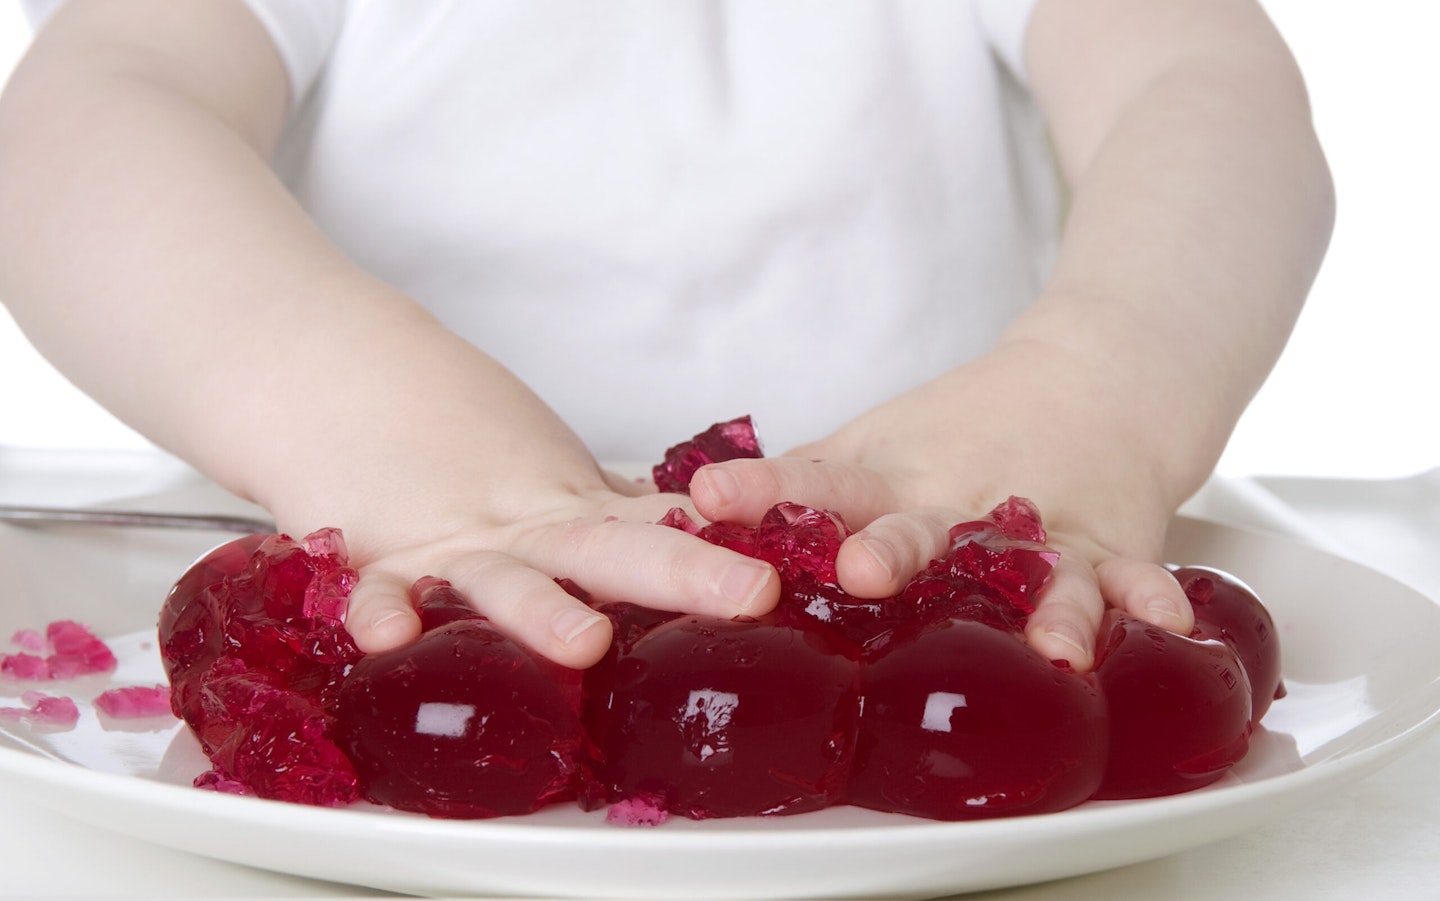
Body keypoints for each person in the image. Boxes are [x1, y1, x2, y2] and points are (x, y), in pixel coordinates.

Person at [0, 0, 1332, 673]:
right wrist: (360, 425)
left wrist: (1099, 387)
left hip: (925, 617)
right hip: (405, 613)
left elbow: (1204, 85)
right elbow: (82, 121)